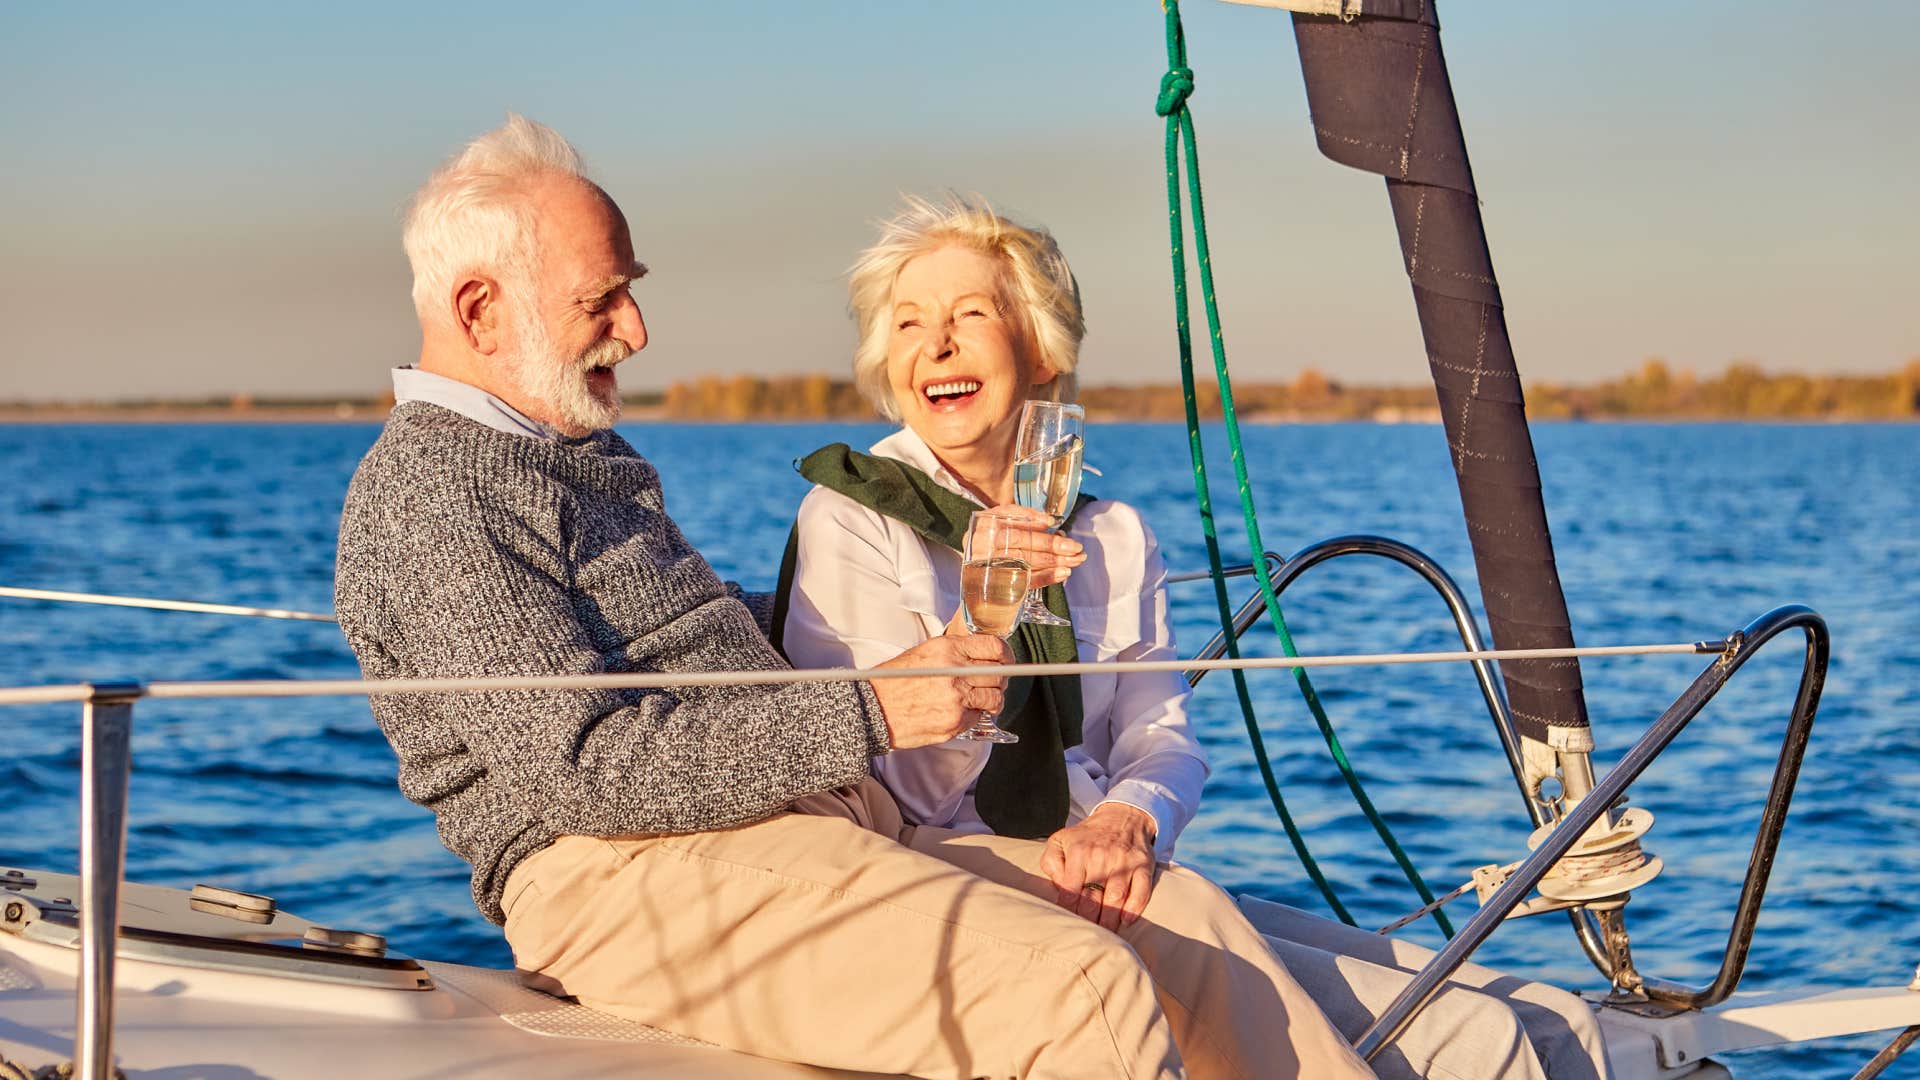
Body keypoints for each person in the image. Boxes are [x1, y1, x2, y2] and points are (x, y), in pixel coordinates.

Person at [333, 115, 1374, 1079]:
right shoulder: (438, 488)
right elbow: (581, 775)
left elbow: (689, 643)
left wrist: (948, 616)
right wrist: (873, 707)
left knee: (1175, 921)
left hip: (795, 821)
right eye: (602, 298)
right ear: (480, 309)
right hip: (623, 871)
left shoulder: (559, 456)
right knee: (1079, 980)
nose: (637, 328)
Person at [780, 194, 1611, 1080]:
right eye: (907, 324)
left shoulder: (1111, 535)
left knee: (1554, 1023)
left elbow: (1161, 736)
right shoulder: (853, 519)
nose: (934, 345)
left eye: (969, 315)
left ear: (1039, 345)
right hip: (938, 866)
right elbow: (899, 785)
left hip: (1101, 854)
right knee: (1475, 1045)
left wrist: (1130, 818)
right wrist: (985, 614)